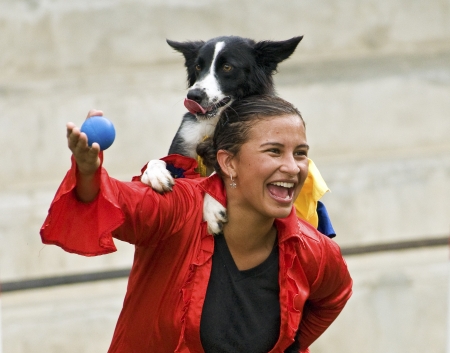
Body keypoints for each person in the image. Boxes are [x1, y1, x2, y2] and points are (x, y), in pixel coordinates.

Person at [40, 95, 352, 353]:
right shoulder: (180, 208)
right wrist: (87, 171)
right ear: (229, 163)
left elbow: (334, 295)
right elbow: (120, 202)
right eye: (274, 151)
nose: (292, 167)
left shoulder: (314, 250)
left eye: (300, 154)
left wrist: (292, 346)